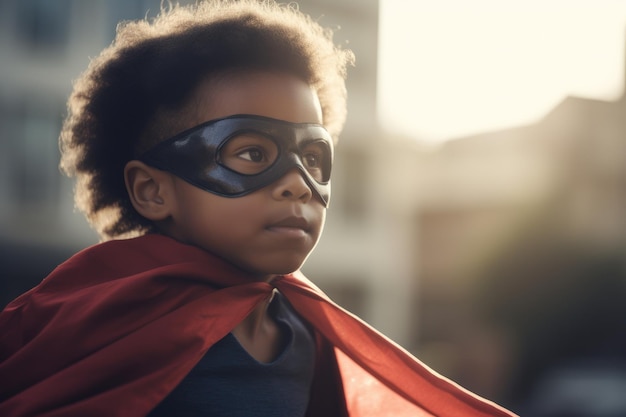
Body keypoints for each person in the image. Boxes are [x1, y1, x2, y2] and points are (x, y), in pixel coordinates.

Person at [0, 1, 516, 416]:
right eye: (251, 154)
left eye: (314, 157)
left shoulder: (309, 333)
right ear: (153, 190)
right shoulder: (87, 326)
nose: (297, 184)